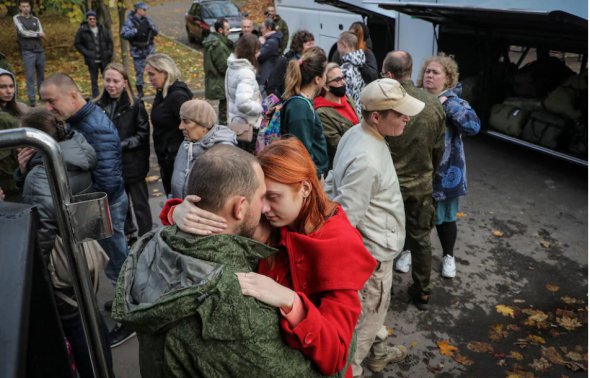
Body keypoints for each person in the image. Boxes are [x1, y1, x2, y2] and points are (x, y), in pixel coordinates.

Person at [112, 145, 333, 378]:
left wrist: (174, 213)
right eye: (261, 197)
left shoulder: (148, 245)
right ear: (240, 207)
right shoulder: (235, 298)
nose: (265, 209)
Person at [163, 138, 377, 377]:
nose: (263, 208)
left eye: (273, 197)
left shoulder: (339, 245)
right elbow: (222, 219)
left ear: (305, 188)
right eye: (261, 196)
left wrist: (291, 301)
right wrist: (179, 211)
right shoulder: (275, 217)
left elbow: (335, 355)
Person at [325, 79, 425, 377]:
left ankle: (378, 352)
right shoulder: (367, 158)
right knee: (365, 321)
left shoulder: (356, 133)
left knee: (374, 313)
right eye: (399, 113)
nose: (407, 117)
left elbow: (332, 182)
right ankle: (352, 369)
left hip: (375, 249)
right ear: (377, 116)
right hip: (371, 258)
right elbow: (347, 217)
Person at [18, 109, 114, 378]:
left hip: (60, 260)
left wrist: (36, 278)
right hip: (85, 248)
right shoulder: (75, 151)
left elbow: (42, 233)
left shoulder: (41, 173)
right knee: (90, 316)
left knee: (74, 324)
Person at [39, 73, 133, 346]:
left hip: (103, 205)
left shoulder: (95, 127)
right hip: (98, 204)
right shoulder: (80, 121)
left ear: (72, 95)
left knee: (117, 264)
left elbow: (107, 181)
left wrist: (82, 208)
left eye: (51, 101)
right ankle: (123, 305)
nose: (47, 108)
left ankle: (130, 318)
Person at [381, 51, 445, 310]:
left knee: (380, 236)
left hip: (388, 184)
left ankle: (378, 291)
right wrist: (428, 171)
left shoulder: (384, 102)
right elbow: (439, 149)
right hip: (420, 183)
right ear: (411, 70)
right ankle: (422, 292)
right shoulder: (433, 104)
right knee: (420, 238)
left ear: (388, 74)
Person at [417, 54, 481, 279]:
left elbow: (473, 127)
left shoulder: (456, 103)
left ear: (448, 79)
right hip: (419, 171)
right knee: (415, 216)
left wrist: (448, 105)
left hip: (446, 174)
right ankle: (408, 251)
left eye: (435, 73)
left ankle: (448, 256)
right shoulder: (415, 98)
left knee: (445, 219)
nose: (429, 76)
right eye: (427, 71)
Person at [96, 63, 151, 242]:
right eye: (108, 80)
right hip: (110, 164)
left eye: (115, 81)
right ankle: (130, 234)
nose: (111, 85)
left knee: (140, 203)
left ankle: (147, 236)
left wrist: (120, 145)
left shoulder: (136, 105)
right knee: (121, 204)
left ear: (125, 83)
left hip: (133, 163)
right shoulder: (98, 105)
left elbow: (142, 135)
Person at [145, 53, 192, 196]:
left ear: (165, 72)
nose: (149, 79)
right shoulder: (162, 93)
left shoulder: (177, 96)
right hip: (167, 160)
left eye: (152, 74)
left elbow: (192, 128)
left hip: (176, 161)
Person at [171, 99, 236, 199]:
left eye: (186, 122)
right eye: (181, 120)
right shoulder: (186, 144)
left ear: (204, 126)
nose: (180, 126)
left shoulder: (223, 151)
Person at [281, 46, 329, 178]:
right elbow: (302, 154)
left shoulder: (303, 104)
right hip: (310, 178)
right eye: (325, 73)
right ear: (318, 79)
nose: (326, 78)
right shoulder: (300, 108)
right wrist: (316, 178)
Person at [313, 62, 358, 167]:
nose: (343, 82)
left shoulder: (347, 99)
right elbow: (338, 145)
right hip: (343, 165)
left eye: (343, 77)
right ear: (325, 86)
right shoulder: (322, 112)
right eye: (338, 80)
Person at [225, 34, 263, 153]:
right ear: (251, 52)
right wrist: (261, 108)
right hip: (247, 126)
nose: (259, 54)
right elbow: (243, 103)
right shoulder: (246, 72)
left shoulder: (233, 66)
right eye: (257, 51)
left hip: (236, 123)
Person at [121, 2, 159, 98]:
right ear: (138, 10)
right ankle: (140, 92)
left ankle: (158, 88)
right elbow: (123, 34)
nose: (146, 12)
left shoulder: (147, 20)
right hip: (137, 50)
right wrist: (135, 31)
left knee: (155, 69)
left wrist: (152, 29)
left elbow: (155, 31)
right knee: (139, 72)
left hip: (149, 49)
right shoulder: (130, 21)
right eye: (144, 10)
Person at [0, 68, 27, 201]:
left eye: (11, 86)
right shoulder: (4, 118)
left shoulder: (18, 109)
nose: (9, 91)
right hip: (5, 181)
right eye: (3, 87)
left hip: (19, 175)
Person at [74, 11, 114, 98]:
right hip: (92, 59)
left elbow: (110, 41)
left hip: (104, 58)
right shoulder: (82, 30)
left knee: (107, 77)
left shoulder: (102, 28)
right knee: (94, 80)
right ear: (87, 20)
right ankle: (96, 97)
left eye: (94, 19)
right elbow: (77, 44)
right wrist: (86, 53)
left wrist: (109, 52)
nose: (92, 20)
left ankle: (107, 95)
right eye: (90, 19)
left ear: (96, 19)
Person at [13, 0, 45, 107]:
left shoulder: (36, 19)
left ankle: (42, 97)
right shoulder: (17, 18)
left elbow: (42, 31)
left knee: (41, 75)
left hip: (39, 50)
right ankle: (32, 101)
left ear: (30, 7)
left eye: (27, 6)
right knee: (30, 76)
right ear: (20, 7)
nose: (26, 8)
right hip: (28, 51)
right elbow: (23, 32)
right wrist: (37, 34)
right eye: (23, 6)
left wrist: (37, 34)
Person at [266, 30, 315, 97]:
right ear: (299, 46)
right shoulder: (284, 61)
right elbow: (272, 87)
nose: (312, 47)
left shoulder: (311, 61)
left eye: (313, 44)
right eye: (309, 44)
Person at [203, 17, 233, 125]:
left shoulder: (214, 41)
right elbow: (223, 66)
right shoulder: (218, 45)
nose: (229, 32)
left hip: (216, 80)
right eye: (227, 29)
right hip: (219, 81)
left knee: (222, 109)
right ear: (220, 30)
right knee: (223, 111)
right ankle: (222, 131)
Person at [337, 32, 365, 114]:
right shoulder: (362, 64)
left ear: (343, 44)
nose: (337, 49)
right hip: (361, 114)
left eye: (337, 45)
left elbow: (344, 99)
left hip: (351, 115)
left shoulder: (344, 70)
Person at [257, 19, 282, 92]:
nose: (261, 30)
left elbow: (259, 56)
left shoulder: (271, 42)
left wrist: (260, 43)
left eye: (262, 28)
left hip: (267, 76)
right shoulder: (271, 39)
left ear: (269, 28)